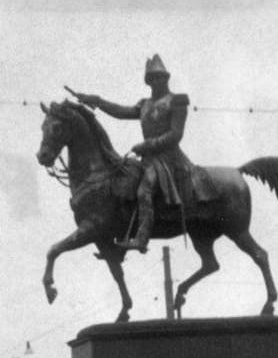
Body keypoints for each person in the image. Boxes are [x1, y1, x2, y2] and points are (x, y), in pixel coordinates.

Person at [67, 54, 204, 252]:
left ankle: (141, 238)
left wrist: (147, 145)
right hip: (149, 159)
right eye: (152, 79)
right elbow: (121, 112)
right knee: (124, 180)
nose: (156, 81)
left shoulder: (177, 101)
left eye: (159, 77)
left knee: (144, 189)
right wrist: (96, 100)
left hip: (169, 158)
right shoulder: (145, 105)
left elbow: (176, 135)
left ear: (166, 78)